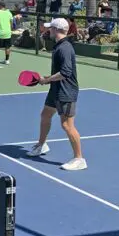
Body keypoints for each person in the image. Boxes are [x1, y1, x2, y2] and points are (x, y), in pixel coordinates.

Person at [27, 18, 86, 171]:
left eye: (50, 28)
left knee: (67, 125)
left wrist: (47, 80)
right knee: (45, 115)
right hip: (56, 89)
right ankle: (41, 145)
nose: (48, 31)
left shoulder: (64, 48)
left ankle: (79, 159)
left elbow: (66, 72)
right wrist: (50, 80)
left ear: (55, 30)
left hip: (66, 92)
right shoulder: (59, 46)